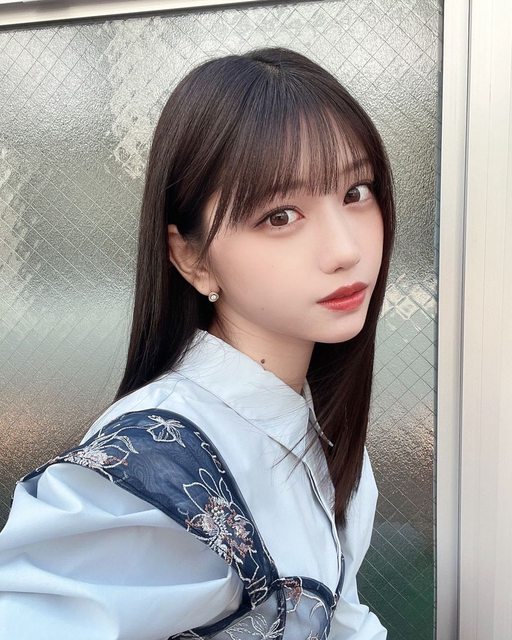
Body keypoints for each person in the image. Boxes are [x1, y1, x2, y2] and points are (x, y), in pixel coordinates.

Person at [0, 47, 395, 639]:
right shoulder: (156, 472)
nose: (346, 249)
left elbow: (343, 617)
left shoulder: (321, 426)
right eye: (280, 216)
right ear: (191, 257)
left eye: (356, 192)